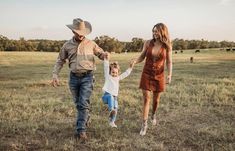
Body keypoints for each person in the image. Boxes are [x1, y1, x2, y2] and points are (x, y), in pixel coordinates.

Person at [51, 18, 108, 141]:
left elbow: (101, 54)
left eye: (83, 32)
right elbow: (60, 60)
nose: (81, 35)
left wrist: (105, 55)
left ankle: (81, 130)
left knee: (82, 103)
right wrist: (55, 74)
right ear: (73, 32)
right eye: (78, 32)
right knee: (79, 104)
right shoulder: (67, 45)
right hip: (73, 78)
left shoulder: (91, 44)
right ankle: (86, 117)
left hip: (88, 76)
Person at [133, 23, 172, 136]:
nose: (154, 33)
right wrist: (135, 61)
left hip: (159, 75)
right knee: (146, 99)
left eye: (157, 31)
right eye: (153, 31)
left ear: (162, 32)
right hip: (147, 73)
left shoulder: (167, 45)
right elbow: (142, 56)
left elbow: (169, 62)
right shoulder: (148, 43)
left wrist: (169, 75)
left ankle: (153, 114)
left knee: (156, 100)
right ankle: (144, 124)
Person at [102, 53, 135, 128]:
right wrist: (106, 59)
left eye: (116, 73)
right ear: (110, 72)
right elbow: (106, 67)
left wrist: (130, 67)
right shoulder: (108, 76)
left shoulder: (118, 78)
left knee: (116, 108)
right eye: (113, 72)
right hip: (106, 96)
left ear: (118, 73)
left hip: (115, 97)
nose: (114, 74)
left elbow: (125, 74)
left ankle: (112, 122)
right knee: (110, 97)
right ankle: (111, 109)